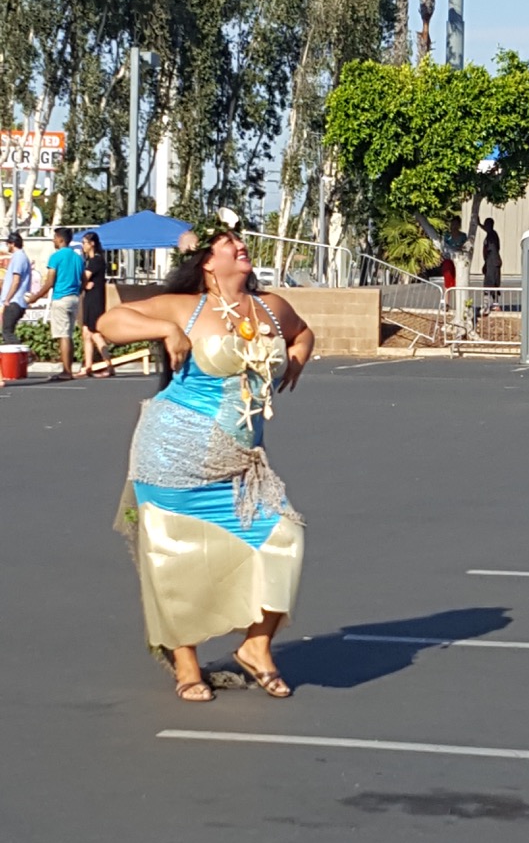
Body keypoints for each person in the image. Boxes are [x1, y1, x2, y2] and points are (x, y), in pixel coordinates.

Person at [97, 213, 314, 703]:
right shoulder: (186, 308)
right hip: (173, 452)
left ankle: (256, 647)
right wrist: (164, 330)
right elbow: (109, 322)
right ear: (207, 263)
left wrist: (297, 359)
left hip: (238, 461)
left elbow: (303, 332)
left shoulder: (271, 307)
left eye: (239, 239)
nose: (239, 245)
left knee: (284, 536)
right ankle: (186, 663)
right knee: (175, 561)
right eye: (227, 241)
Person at [26, 227, 84, 381]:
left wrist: (35, 297)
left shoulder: (56, 257)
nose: (53, 240)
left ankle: (66, 371)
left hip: (61, 298)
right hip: (74, 297)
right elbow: (83, 280)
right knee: (68, 335)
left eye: (55, 237)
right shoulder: (78, 258)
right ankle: (68, 368)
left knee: (62, 335)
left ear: (60, 239)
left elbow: (50, 281)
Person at [80, 232, 114, 378]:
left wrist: (83, 284)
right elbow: (84, 280)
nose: (83, 246)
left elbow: (84, 277)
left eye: (85, 243)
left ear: (92, 243)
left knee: (95, 333)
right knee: (86, 333)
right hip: (88, 298)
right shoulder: (88, 260)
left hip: (95, 299)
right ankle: (88, 366)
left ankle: (109, 366)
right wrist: (84, 285)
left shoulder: (97, 260)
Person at [440, 216, 467, 290]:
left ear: (459, 225)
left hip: (459, 259)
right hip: (448, 259)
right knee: (448, 277)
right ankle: (447, 295)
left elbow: (465, 247)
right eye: (453, 224)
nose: (454, 226)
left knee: (458, 279)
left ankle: (457, 295)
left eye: (456, 224)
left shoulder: (463, 236)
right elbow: (444, 247)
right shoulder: (447, 235)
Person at [481, 217, 502, 300]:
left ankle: (495, 302)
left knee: (492, 282)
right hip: (489, 261)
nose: (485, 226)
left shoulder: (492, 235)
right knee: (489, 282)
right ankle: (488, 302)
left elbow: (491, 251)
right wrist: (479, 224)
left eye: (486, 224)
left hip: (492, 262)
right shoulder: (489, 234)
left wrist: (487, 262)